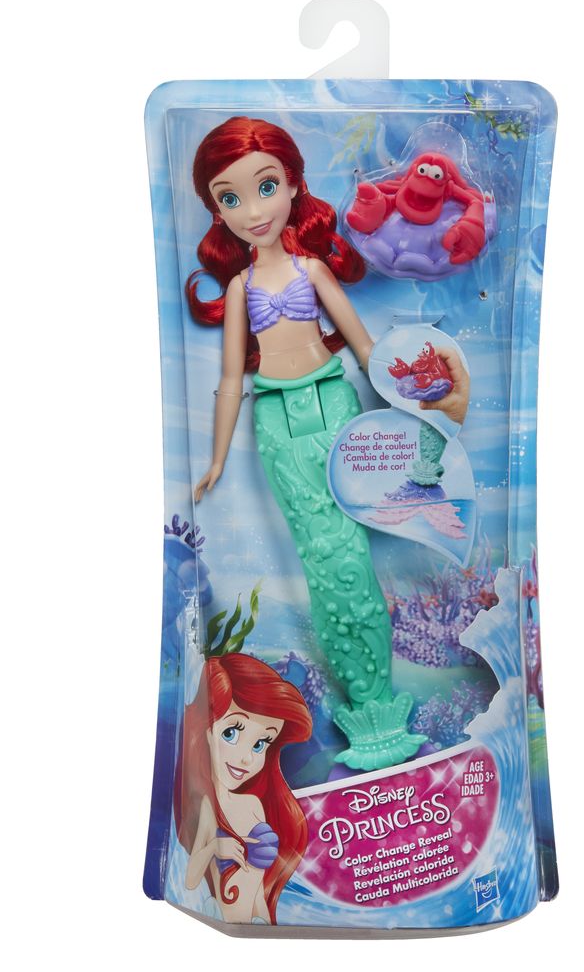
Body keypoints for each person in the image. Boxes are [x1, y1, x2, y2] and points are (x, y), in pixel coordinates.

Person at [185, 116, 425, 772]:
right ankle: (365, 705)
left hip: (333, 404)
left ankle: (377, 703)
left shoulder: (311, 269)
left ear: (293, 185)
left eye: (266, 187)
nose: (252, 210)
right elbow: (231, 379)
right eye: (230, 197)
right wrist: (214, 461)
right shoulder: (240, 289)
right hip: (278, 423)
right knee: (324, 560)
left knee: (350, 556)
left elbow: (364, 346)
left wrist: (408, 403)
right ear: (216, 211)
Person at [175, 653, 312, 925]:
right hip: (222, 917)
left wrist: (268, 921)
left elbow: (259, 884)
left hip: (260, 922)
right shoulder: (208, 806)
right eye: (231, 733)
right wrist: (214, 848)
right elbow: (190, 881)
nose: (246, 758)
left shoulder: (254, 805)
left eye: (260, 744)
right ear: (208, 731)